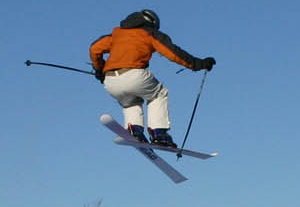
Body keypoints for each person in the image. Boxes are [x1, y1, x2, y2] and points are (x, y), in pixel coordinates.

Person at [88, 9, 215, 149]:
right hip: (134, 75)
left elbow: (94, 49)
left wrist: (99, 69)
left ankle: (134, 131)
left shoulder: (116, 35)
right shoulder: (148, 34)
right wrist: (198, 64)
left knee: (131, 102)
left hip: (111, 81)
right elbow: (173, 53)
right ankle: (158, 133)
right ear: (152, 23)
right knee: (159, 94)